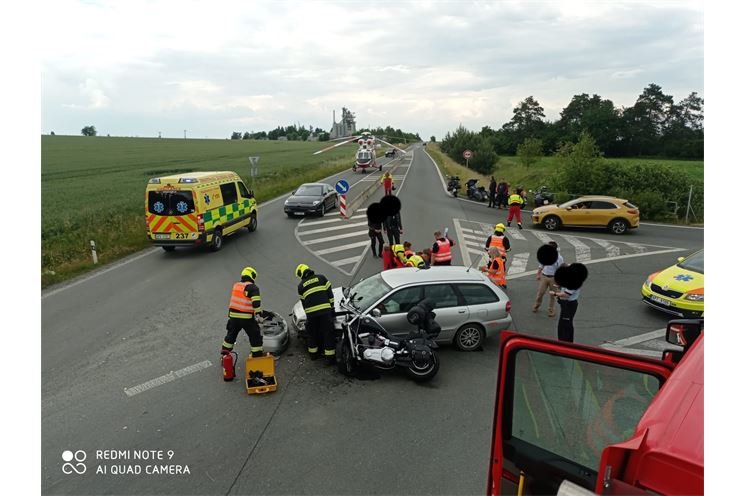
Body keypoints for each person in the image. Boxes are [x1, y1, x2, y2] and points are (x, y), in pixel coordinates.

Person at [295, 264, 336, 363]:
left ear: (301, 274)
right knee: (328, 333)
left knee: (312, 334)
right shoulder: (321, 278)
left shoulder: (300, 286)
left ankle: (313, 355)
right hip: (325, 311)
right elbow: (330, 294)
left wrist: (309, 313)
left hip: (311, 314)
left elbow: (304, 303)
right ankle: (329, 358)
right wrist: (331, 307)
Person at [221, 266, 265, 359]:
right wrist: (259, 315)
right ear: (252, 276)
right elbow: (256, 303)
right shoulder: (253, 287)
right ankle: (257, 355)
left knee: (231, 335)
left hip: (233, 317)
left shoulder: (236, 285)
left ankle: (225, 354)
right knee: (255, 336)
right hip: (246, 318)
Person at [550, 263, 588, 343]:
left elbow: (566, 294)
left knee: (565, 325)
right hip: (566, 304)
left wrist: (555, 293)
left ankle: (566, 342)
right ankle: (564, 341)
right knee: (563, 324)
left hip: (569, 305)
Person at [533, 242, 564, 318]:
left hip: (553, 278)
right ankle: (536, 306)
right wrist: (538, 274)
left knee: (552, 295)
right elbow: (541, 265)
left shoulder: (559, 258)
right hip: (544, 276)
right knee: (540, 293)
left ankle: (551, 310)